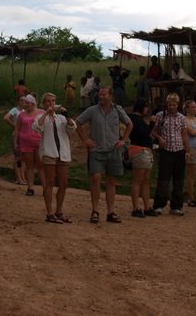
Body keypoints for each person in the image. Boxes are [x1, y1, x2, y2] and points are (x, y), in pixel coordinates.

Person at [76, 86, 133, 224]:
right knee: (95, 178)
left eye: (104, 95)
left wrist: (123, 140)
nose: (101, 97)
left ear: (110, 96)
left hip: (113, 150)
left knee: (111, 181)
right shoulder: (92, 110)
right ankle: (95, 210)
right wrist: (85, 140)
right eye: (100, 95)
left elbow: (129, 124)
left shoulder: (117, 110)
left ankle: (110, 212)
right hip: (97, 151)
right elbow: (77, 123)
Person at [33, 93, 77, 224]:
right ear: (44, 104)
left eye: (53, 101)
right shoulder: (42, 117)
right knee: (50, 182)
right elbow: (36, 127)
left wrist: (66, 115)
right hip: (49, 153)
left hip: (62, 153)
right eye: (48, 101)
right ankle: (49, 213)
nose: (51, 103)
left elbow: (72, 127)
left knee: (63, 183)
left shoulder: (61, 118)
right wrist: (46, 113)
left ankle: (59, 211)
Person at [150, 92, 189, 216]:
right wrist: (160, 139)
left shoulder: (182, 118)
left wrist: (187, 150)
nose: (172, 107)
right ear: (166, 104)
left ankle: (176, 206)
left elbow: (184, 134)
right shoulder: (160, 115)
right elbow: (153, 132)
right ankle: (159, 204)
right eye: (170, 104)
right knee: (163, 179)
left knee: (179, 179)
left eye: (174, 105)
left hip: (179, 150)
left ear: (178, 105)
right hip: (166, 150)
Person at [127, 97, 157, 218]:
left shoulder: (137, 119)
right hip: (140, 150)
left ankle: (146, 206)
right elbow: (144, 133)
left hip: (145, 151)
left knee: (145, 180)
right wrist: (152, 123)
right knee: (138, 180)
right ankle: (136, 207)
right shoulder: (135, 119)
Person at [13, 94, 45, 196]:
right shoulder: (22, 115)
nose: (25, 105)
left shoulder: (41, 113)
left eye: (27, 103)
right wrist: (15, 142)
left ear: (33, 103)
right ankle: (30, 187)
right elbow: (17, 129)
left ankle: (45, 187)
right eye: (25, 103)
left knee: (40, 166)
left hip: (39, 142)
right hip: (26, 143)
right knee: (29, 166)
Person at [3, 94, 27, 185]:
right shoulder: (15, 110)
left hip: (24, 136)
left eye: (25, 100)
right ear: (18, 101)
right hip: (17, 136)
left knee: (23, 158)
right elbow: (6, 118)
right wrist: (14, 126)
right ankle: (18, 177)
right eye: (22, 100)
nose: (23, 102)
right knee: (18, 157)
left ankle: (23, 177)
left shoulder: (25, 111)